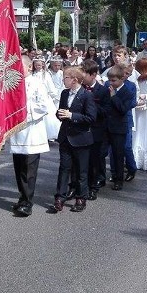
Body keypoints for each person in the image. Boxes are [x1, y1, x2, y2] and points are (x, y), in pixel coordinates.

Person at [47, 66, 97, 213]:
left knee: (81, 170)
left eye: (65, 78)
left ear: (74, 80)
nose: (63, 80)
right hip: (65, 137)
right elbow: (61, 110)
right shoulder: (64, 93)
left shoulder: (86, 95)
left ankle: (81, 198)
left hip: (81, 138)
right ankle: (59, 198)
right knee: (64, 169)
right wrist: (60, 114)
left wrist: (72, 116)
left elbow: (91, 117)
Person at [9, 55, 51, 217]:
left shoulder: (37, 83)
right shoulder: (14, 84)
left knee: (29, 169)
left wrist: (24, 110)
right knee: (19, 167)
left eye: (21, 67)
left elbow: (43, 106)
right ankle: (22, 197)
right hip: (18, 132)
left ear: (29, 68)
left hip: (32, 131)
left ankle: (27, 202)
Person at [102, 64, 137, 191]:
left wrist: (113, 96)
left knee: (118, 153)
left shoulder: (127, 91)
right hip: (106, 125)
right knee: (103, 152)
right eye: (109, 80)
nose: (110, 83)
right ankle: (103, 176)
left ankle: (119, 179)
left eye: (113, 80)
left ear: (122, 79)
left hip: (119, 127)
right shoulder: (107, 87)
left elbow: (123, 109)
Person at [81, 60, 109, 199]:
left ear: (93, 75)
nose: (81, 76)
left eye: (84, 74)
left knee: (95, 159)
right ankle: (79, 185)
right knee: (81, 160)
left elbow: (105, 111)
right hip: (82, 129)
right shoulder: (80, 88)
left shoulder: (103, 90)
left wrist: (91, 104)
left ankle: (94, 185)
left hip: (96, 129)